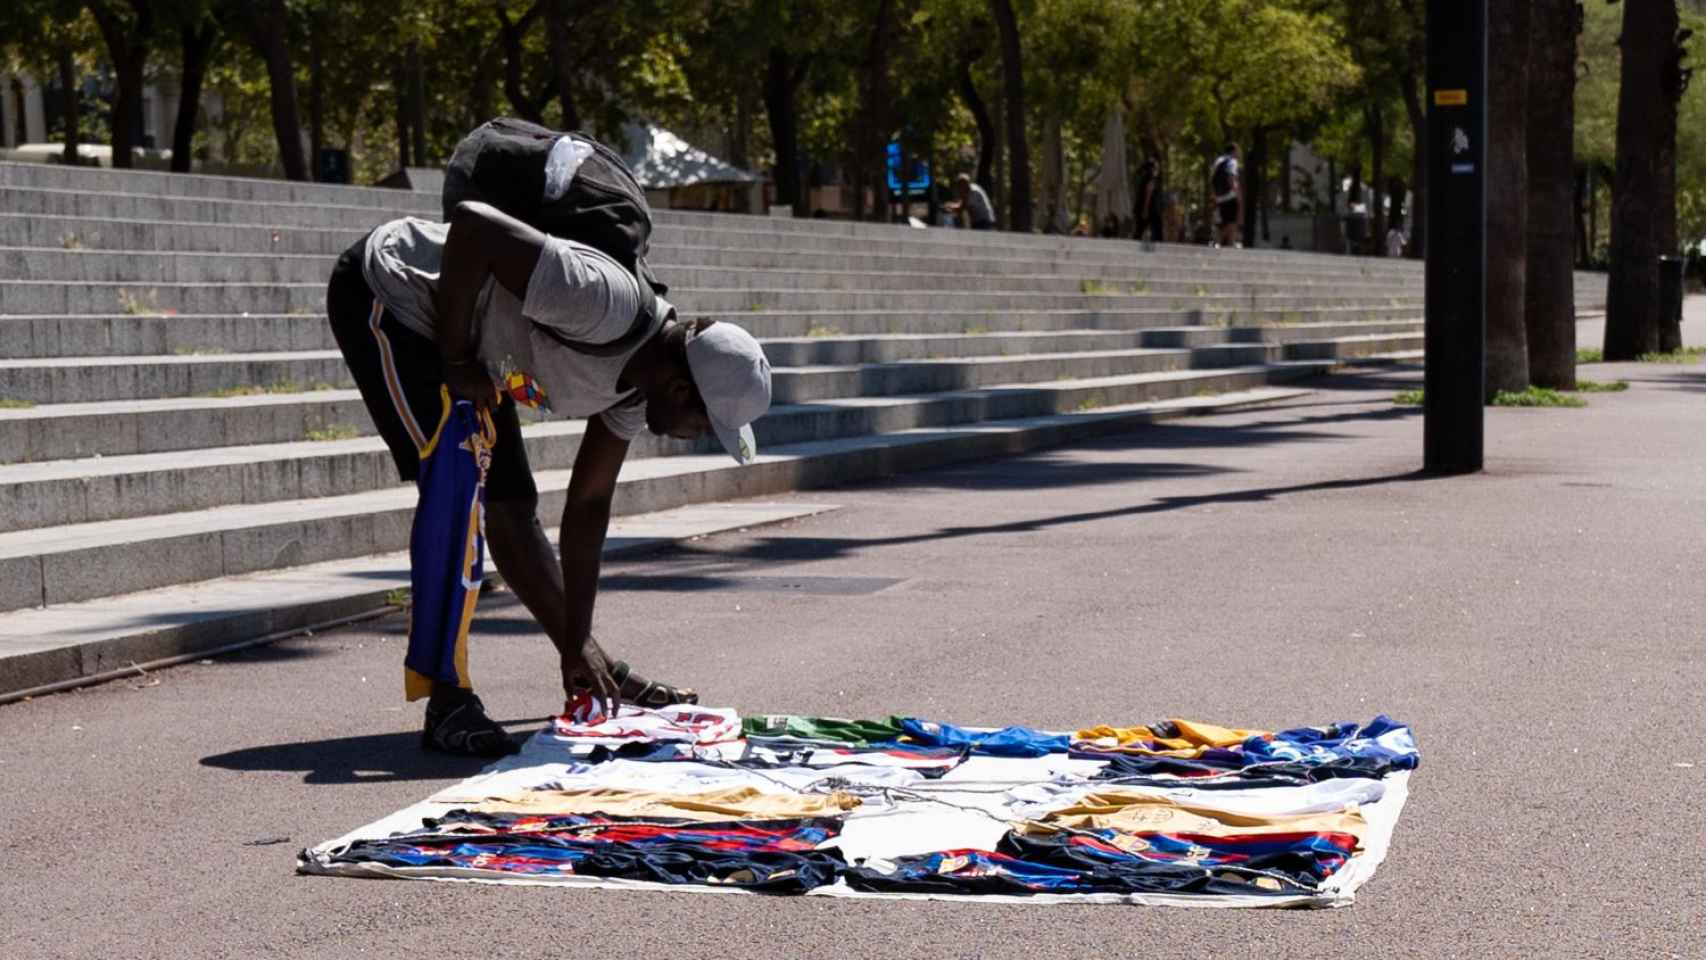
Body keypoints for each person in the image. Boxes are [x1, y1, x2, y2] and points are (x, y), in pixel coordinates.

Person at [326, 167, 771, 758]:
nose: (695, 437)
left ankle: (594, 663)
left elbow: (587, 507)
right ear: (684, 390)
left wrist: (576, 640)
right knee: (456, 488)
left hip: (470, 342)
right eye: (704, 425)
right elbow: (474, 227)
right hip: (392, 296)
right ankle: (446, 698)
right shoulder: (602, 301)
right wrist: (456, 361)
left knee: (512, 507)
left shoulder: (638, 393)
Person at [1210, 143, 1243, 248]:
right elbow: (1231, 177)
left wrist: (1214, 194)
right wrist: (1237, 194)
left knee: (1225, 221)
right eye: (1238, 151)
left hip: (1220, 196)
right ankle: (1225, 242)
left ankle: (1223, 242)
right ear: (1233, 151)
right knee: (1232, 221)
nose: (1239, 153)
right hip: (1230, 195)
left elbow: (1212, 178)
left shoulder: (1218, 161)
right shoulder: (1232, 161)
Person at [1134, 157, 1163, 245]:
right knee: (1156, 229)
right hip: (1150, 209)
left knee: (1140, 228)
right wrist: (1145, 209)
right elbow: (1149, 192)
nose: (1158, 169)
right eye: (1157, 167)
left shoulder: (1143, 178)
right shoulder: (1151, 178)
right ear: (1152, 168)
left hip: (1142, 207)